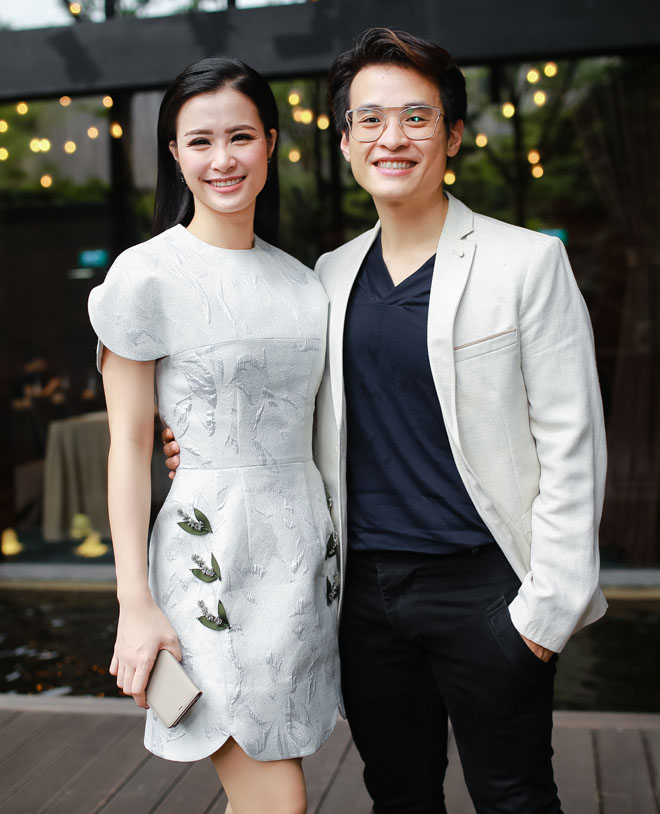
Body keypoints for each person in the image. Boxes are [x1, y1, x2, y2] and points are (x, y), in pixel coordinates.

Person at [164, 28, 608, 814]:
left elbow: (574, 447)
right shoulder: (326, 277)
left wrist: (544, 615)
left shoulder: (526, 263)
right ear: (344, 141)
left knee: (516, 798)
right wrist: (204, 445)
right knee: (399, 797)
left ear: (453, 134)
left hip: (485, 589)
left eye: (416, 117)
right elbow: (293, 413)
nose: (391, 138)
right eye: (368, 119)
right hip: (364, 599)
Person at [89, 56, 341, 814]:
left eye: (240, 136)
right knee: (278, 799)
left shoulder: (305, 283)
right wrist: (134, 602)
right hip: (206, 561)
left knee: (264, 782)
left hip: (302, 566)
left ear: (271, 142)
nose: (222, 159)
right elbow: (130, 448)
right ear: (174, 153)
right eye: (200, 141)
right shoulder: (146, 276)